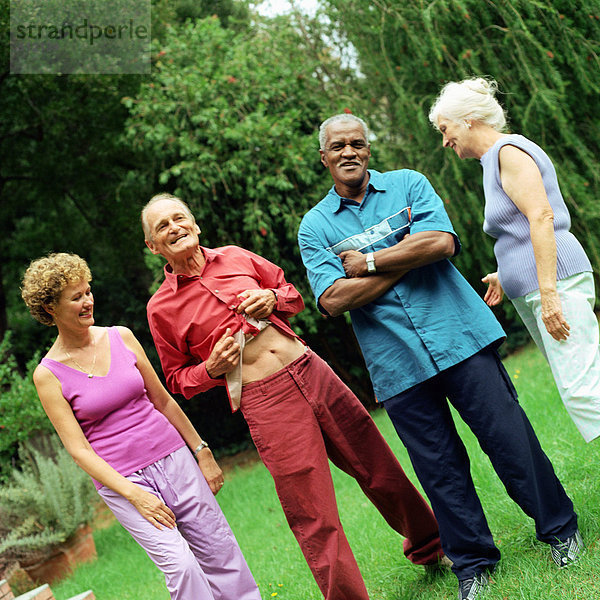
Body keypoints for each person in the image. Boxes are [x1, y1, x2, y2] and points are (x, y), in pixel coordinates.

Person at [297, 113, 583, 600]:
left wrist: (367, 262)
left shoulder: (409, 183)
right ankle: (473, 564)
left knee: (510, 439)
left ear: (369, 150)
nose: (350, 153)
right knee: (439, 469)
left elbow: (442, 244)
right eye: (339, 146)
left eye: (358, 144)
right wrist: (407, 256)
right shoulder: (315, 226)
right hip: (397, 365)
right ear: (323, 157)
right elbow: (333, 300)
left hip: (460, 337)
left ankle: (560, 530)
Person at [141, 193, 447, 600]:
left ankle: (434, 548)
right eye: (162, 226)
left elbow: (291, 293)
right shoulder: (162, 307)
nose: (174, 228)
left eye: (179, 218)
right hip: (265, 401)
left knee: (377, 465)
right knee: (312, 510)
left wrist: (272, 299)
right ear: (153, 246)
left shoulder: (235, 256)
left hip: (311, 369)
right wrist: (211, 368)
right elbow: (178, 379)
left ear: (195, 225)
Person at [21, 252, 261, 600]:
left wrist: (201, 451)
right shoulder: (47, 375)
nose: (88, 301)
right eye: (76, 297)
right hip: (125, 481)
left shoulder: (121, 336)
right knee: (181, 567)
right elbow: (79, 450)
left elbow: (163, 400)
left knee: (219, 551)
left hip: (174, 457)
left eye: (88, 291)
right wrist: (134, 496)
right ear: (50, 309)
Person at [429, 76, 600, 444]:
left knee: (584, 389)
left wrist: (549, 292)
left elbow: (541, 217)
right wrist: (506, 273)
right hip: (540, 287)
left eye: (445, 129)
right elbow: (521, 229)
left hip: (555, 284)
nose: (445, 140)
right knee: (583, 384)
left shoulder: (508, 151)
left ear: (468, 120)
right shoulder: (493, 161)